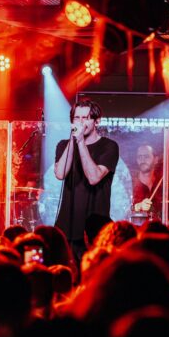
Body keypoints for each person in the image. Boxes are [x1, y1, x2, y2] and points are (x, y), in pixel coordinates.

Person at [54, 98, 119, 261]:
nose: (81, 122)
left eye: (86, 118)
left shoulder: (109, 146)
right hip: (66, 227)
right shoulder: (63, 145)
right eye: (77, 118)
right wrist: (73, 140)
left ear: (97, 121)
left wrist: (81, 142)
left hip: (94, 230)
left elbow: (94, 177)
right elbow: (60, 174)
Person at [131, 144, 162, 218]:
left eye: (146, 156)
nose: (142, 160)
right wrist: (138, 207)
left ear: (156, 160)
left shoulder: (163, 184)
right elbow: (119, 210)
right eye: (139, 157)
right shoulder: (129, 183)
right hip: (135, 225)